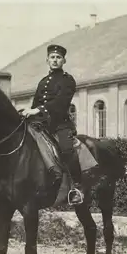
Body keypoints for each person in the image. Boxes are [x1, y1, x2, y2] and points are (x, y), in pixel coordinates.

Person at [21, 44, 84, 205]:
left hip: (60, 125)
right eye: (52, 57)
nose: (55, 60)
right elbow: (35, 103)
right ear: (47, 60)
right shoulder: (43, 82)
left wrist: (38, 110)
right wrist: (28, 111)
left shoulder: (67, 80)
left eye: (58, 57)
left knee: (66, 149)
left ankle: (77, 188)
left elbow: (61, 103)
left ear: (64, 60)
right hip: (40, 124)